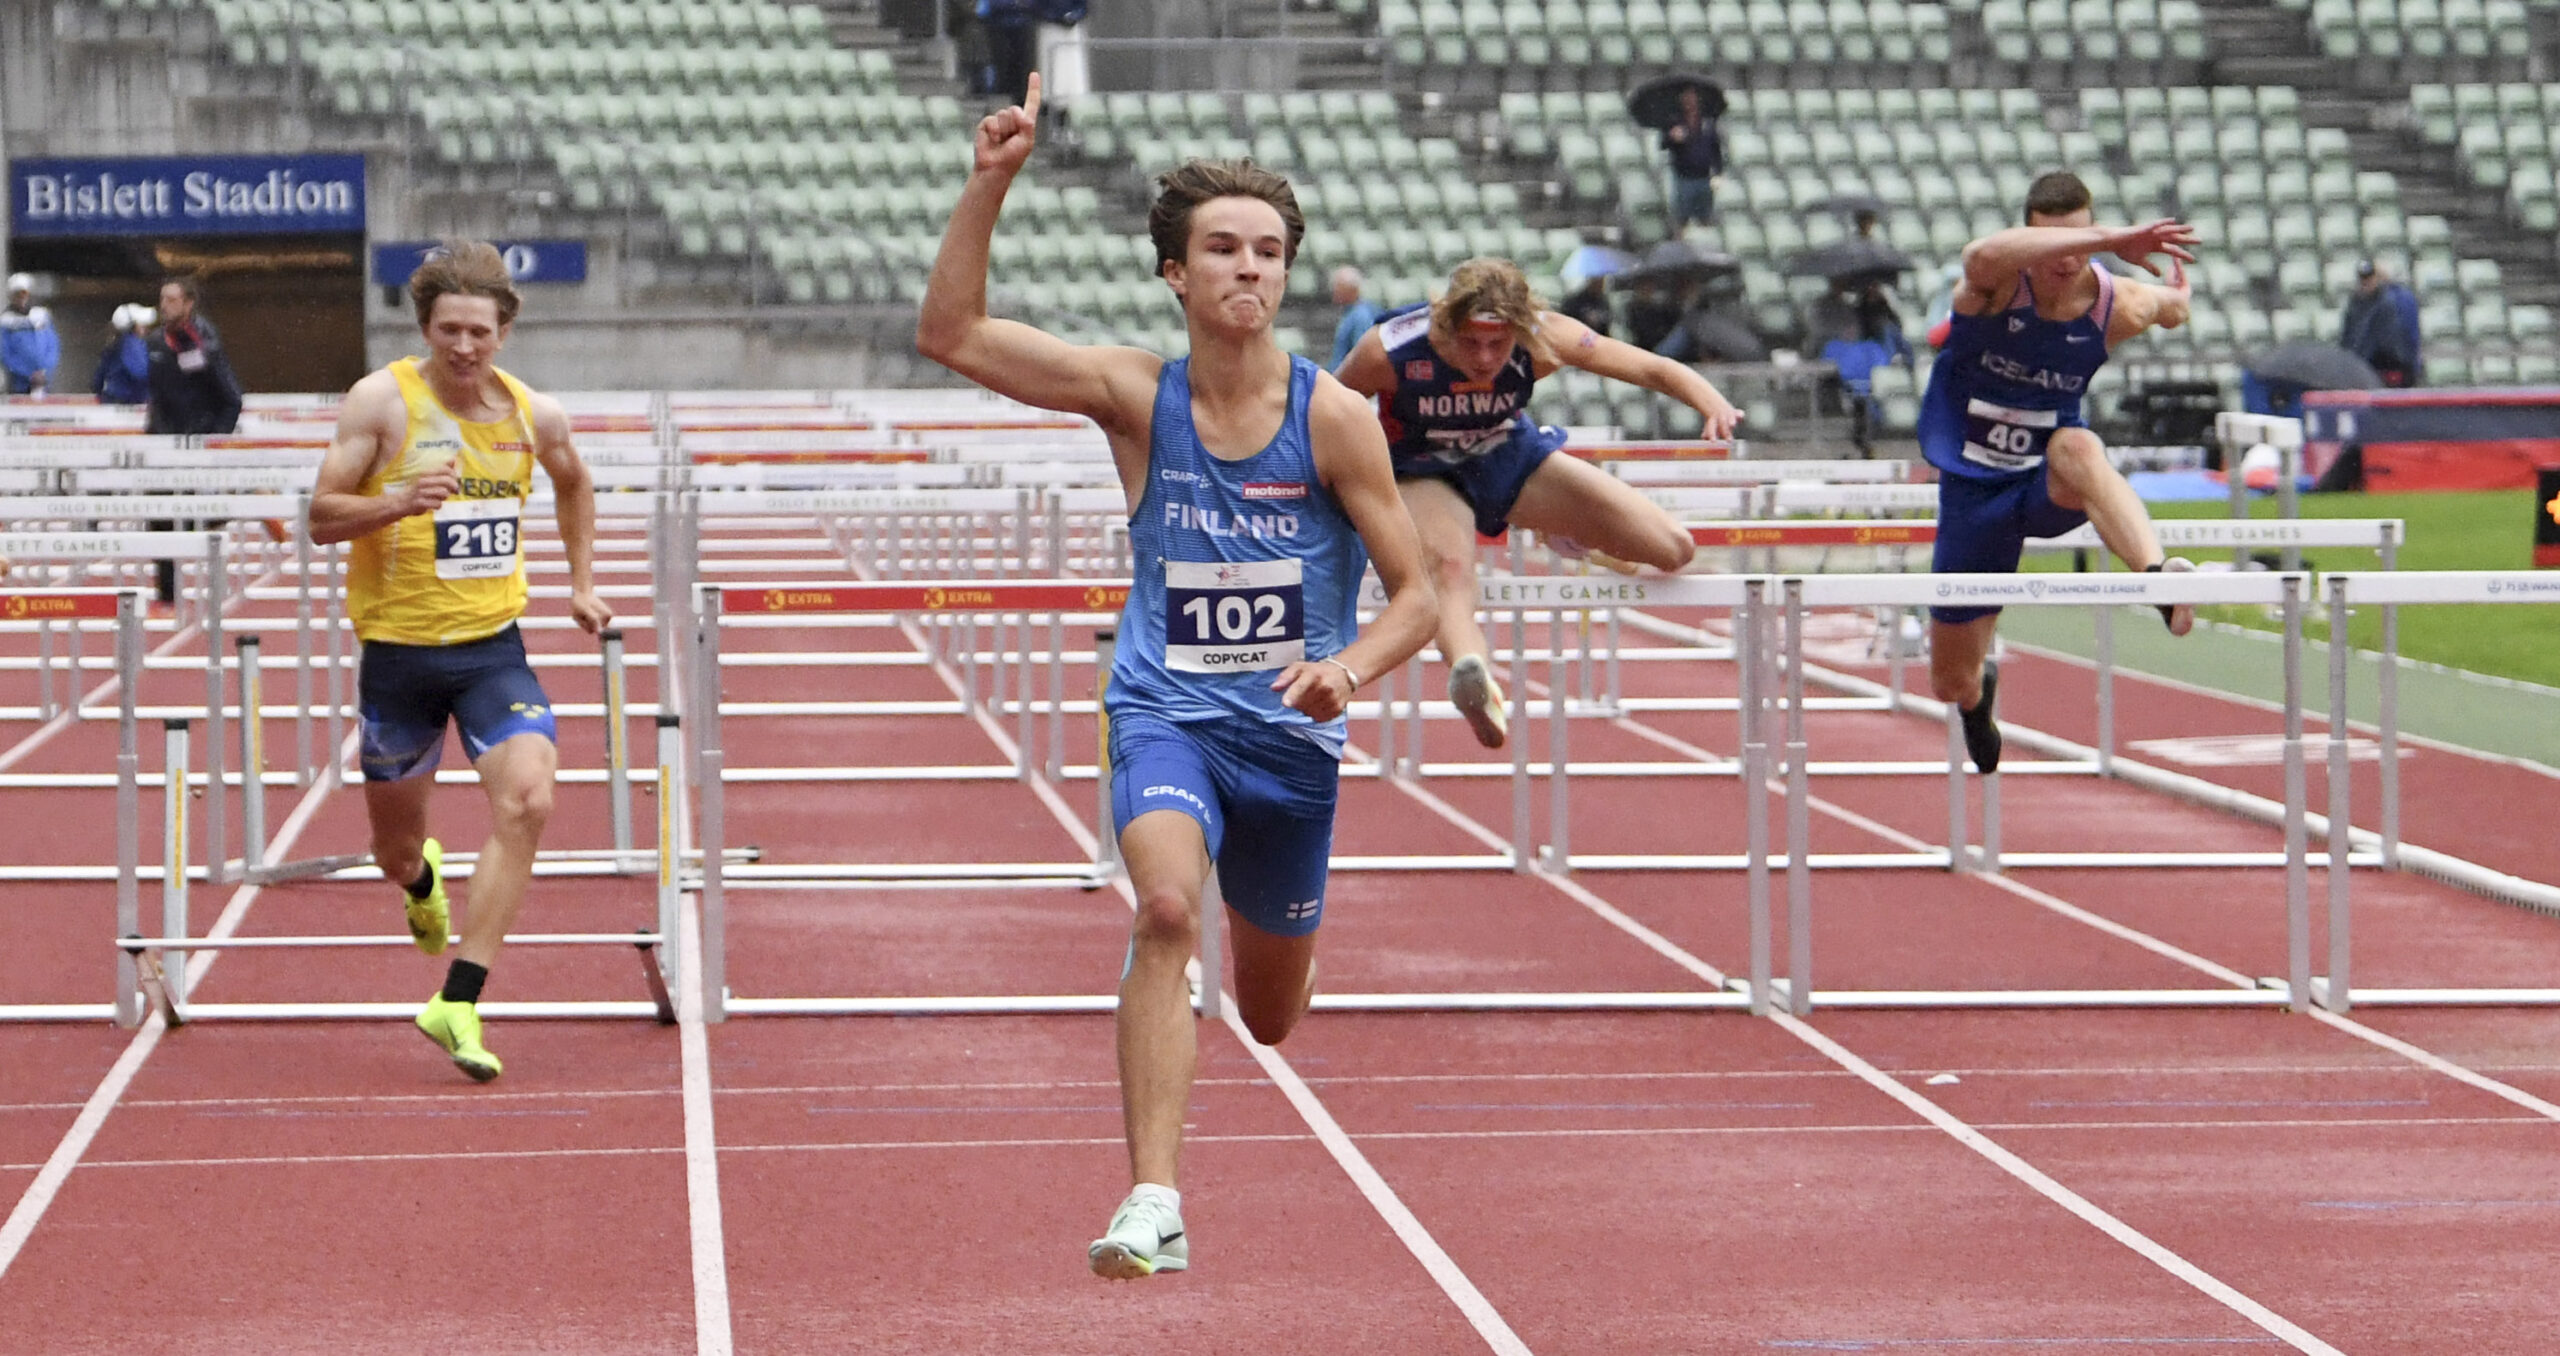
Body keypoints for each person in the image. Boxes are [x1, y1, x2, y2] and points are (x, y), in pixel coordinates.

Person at [914, 74, 1436, 1280]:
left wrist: (1345, 671)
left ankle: (1275, 943)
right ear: (1177, 276)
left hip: (1291, 746)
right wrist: (989, 183)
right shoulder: (1136, 396)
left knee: (1269, 1015)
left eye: (1267, 252)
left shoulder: (1338, 420)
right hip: (1166, 714)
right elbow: (952, 337)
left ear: (1285, 275)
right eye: (1222, 250)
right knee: (1160, 910)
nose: (1247, 269)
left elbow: (1415, 597)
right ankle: (1155, 1196)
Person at [307, 240, 610, 1082]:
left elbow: (574, 482)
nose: (465, 347)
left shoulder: (532, 414)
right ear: (426, 329)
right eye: (450, 331)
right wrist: (398, 500)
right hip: (398, 661)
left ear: (503, 332)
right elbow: (320, 518)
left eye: (479, 332)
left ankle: (460, 999)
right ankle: (419, 883)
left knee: (531, 797)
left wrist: (583, 582)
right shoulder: (383, 404)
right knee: (396, 852)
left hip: (490, 654)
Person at [1334, 257, 1743, 747]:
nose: (1485, 359)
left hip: (1509, 454)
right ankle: (1473, 674)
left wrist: (1709, 400)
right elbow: (1330, 407)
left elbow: (1649, 366)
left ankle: (1566, 533)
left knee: (1673, 547)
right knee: (1450, 568)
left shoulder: (1545, 337)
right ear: (1444, 324)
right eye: (1470, 343)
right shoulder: (1390, 349)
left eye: (1498, 345)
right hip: (1422, 469)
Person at [1919, 172, 2199, 773]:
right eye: (2053, 245)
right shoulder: (1992, 290)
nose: (2067, 259)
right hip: (1972, 491)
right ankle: (1976, 698)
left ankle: (2158, 578)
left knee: (2078, 444)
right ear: (2029, 240)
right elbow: (1980, 254)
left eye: (2082, 243)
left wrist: (2179, 296)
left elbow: (2171, 308)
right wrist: (2108, 236)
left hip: (2045, 482)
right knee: (1947, 681)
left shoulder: (2113, 305)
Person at [144, 278, 243, 435]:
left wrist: (216, 436)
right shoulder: (155, 342)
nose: (164, 306)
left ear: (188, 304)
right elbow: (156, 395)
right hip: (165, 438)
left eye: (171, 300)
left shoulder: (205, 340)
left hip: (201, 437)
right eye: (162, 299)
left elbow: (232, 399)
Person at [2339, 258, 2421, 387]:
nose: (2366, 283)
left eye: (2370, 278)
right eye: (2363, 279)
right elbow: (2348, 337)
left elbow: (2390, 342)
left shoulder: (2388, 303)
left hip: (2384, 370)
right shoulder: (2354, 304)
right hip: (2359, 368)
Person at [1659, 86, 1723, 235]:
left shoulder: (1707, 121)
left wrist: (1718, 172)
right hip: (1684, 177)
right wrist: (1672, 137)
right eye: (1686, 98)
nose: (1690, 101)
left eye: (1692, 98)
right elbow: (1663, 144)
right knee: (1682, 217)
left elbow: (1716, 149)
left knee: (1705, 216)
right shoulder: (1674, 121)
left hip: (1704, 177)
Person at [2, 274, 60, 396]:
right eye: (17, 294)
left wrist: (44, 371)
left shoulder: (41, 316)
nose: (21, 298)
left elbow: (53, 346)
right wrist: (28, 374)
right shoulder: (5, 321)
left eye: (24, 293)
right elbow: (5, 354)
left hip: (44, 382)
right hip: (19, 384)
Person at [92, 305, 153, 406]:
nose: (145, 327)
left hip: (112, 401)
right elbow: (141, 373)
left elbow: (97, 381)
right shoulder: (131, 344)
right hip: (129, 403)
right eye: (141, 324)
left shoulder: (115, 344)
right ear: (132, 326)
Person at [1327, 265, 1383, 369]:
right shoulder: (1350, 313)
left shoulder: (1361, 316)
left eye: (1337, 287)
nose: (1334, 291)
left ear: (1350, 289)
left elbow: (1362, 355)